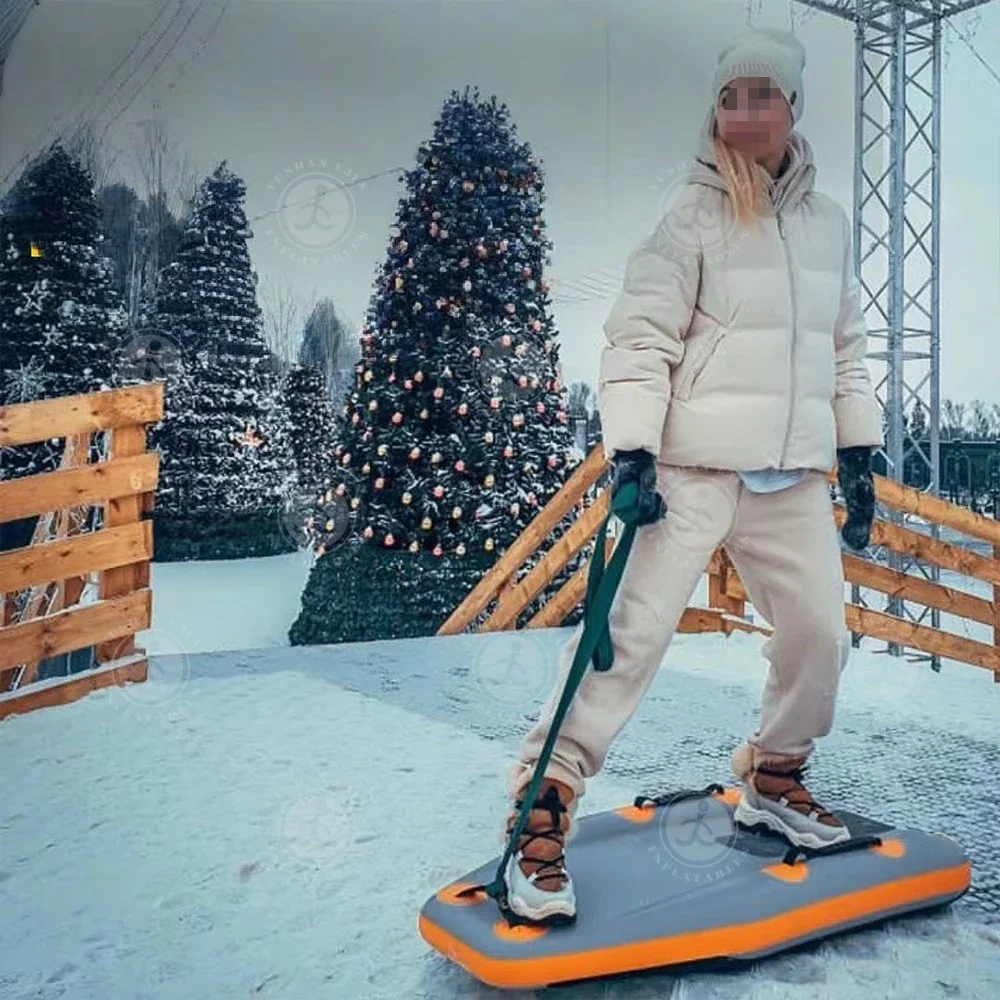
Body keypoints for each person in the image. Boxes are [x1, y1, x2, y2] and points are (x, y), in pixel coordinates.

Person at [500, 27, 883, 923]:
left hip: (789, 476)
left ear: (793, 107)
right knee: (624, 638)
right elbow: (639, 338)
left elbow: (847, 350)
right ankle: (541, 808)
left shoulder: (827, 223)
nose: (744, 113)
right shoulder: (691, 212)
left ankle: (776, 778)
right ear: (715, 111)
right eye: (730, 97)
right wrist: (631, 451)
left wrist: (857, 452)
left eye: (763, 96)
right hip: (691, 467)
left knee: (819, 636)